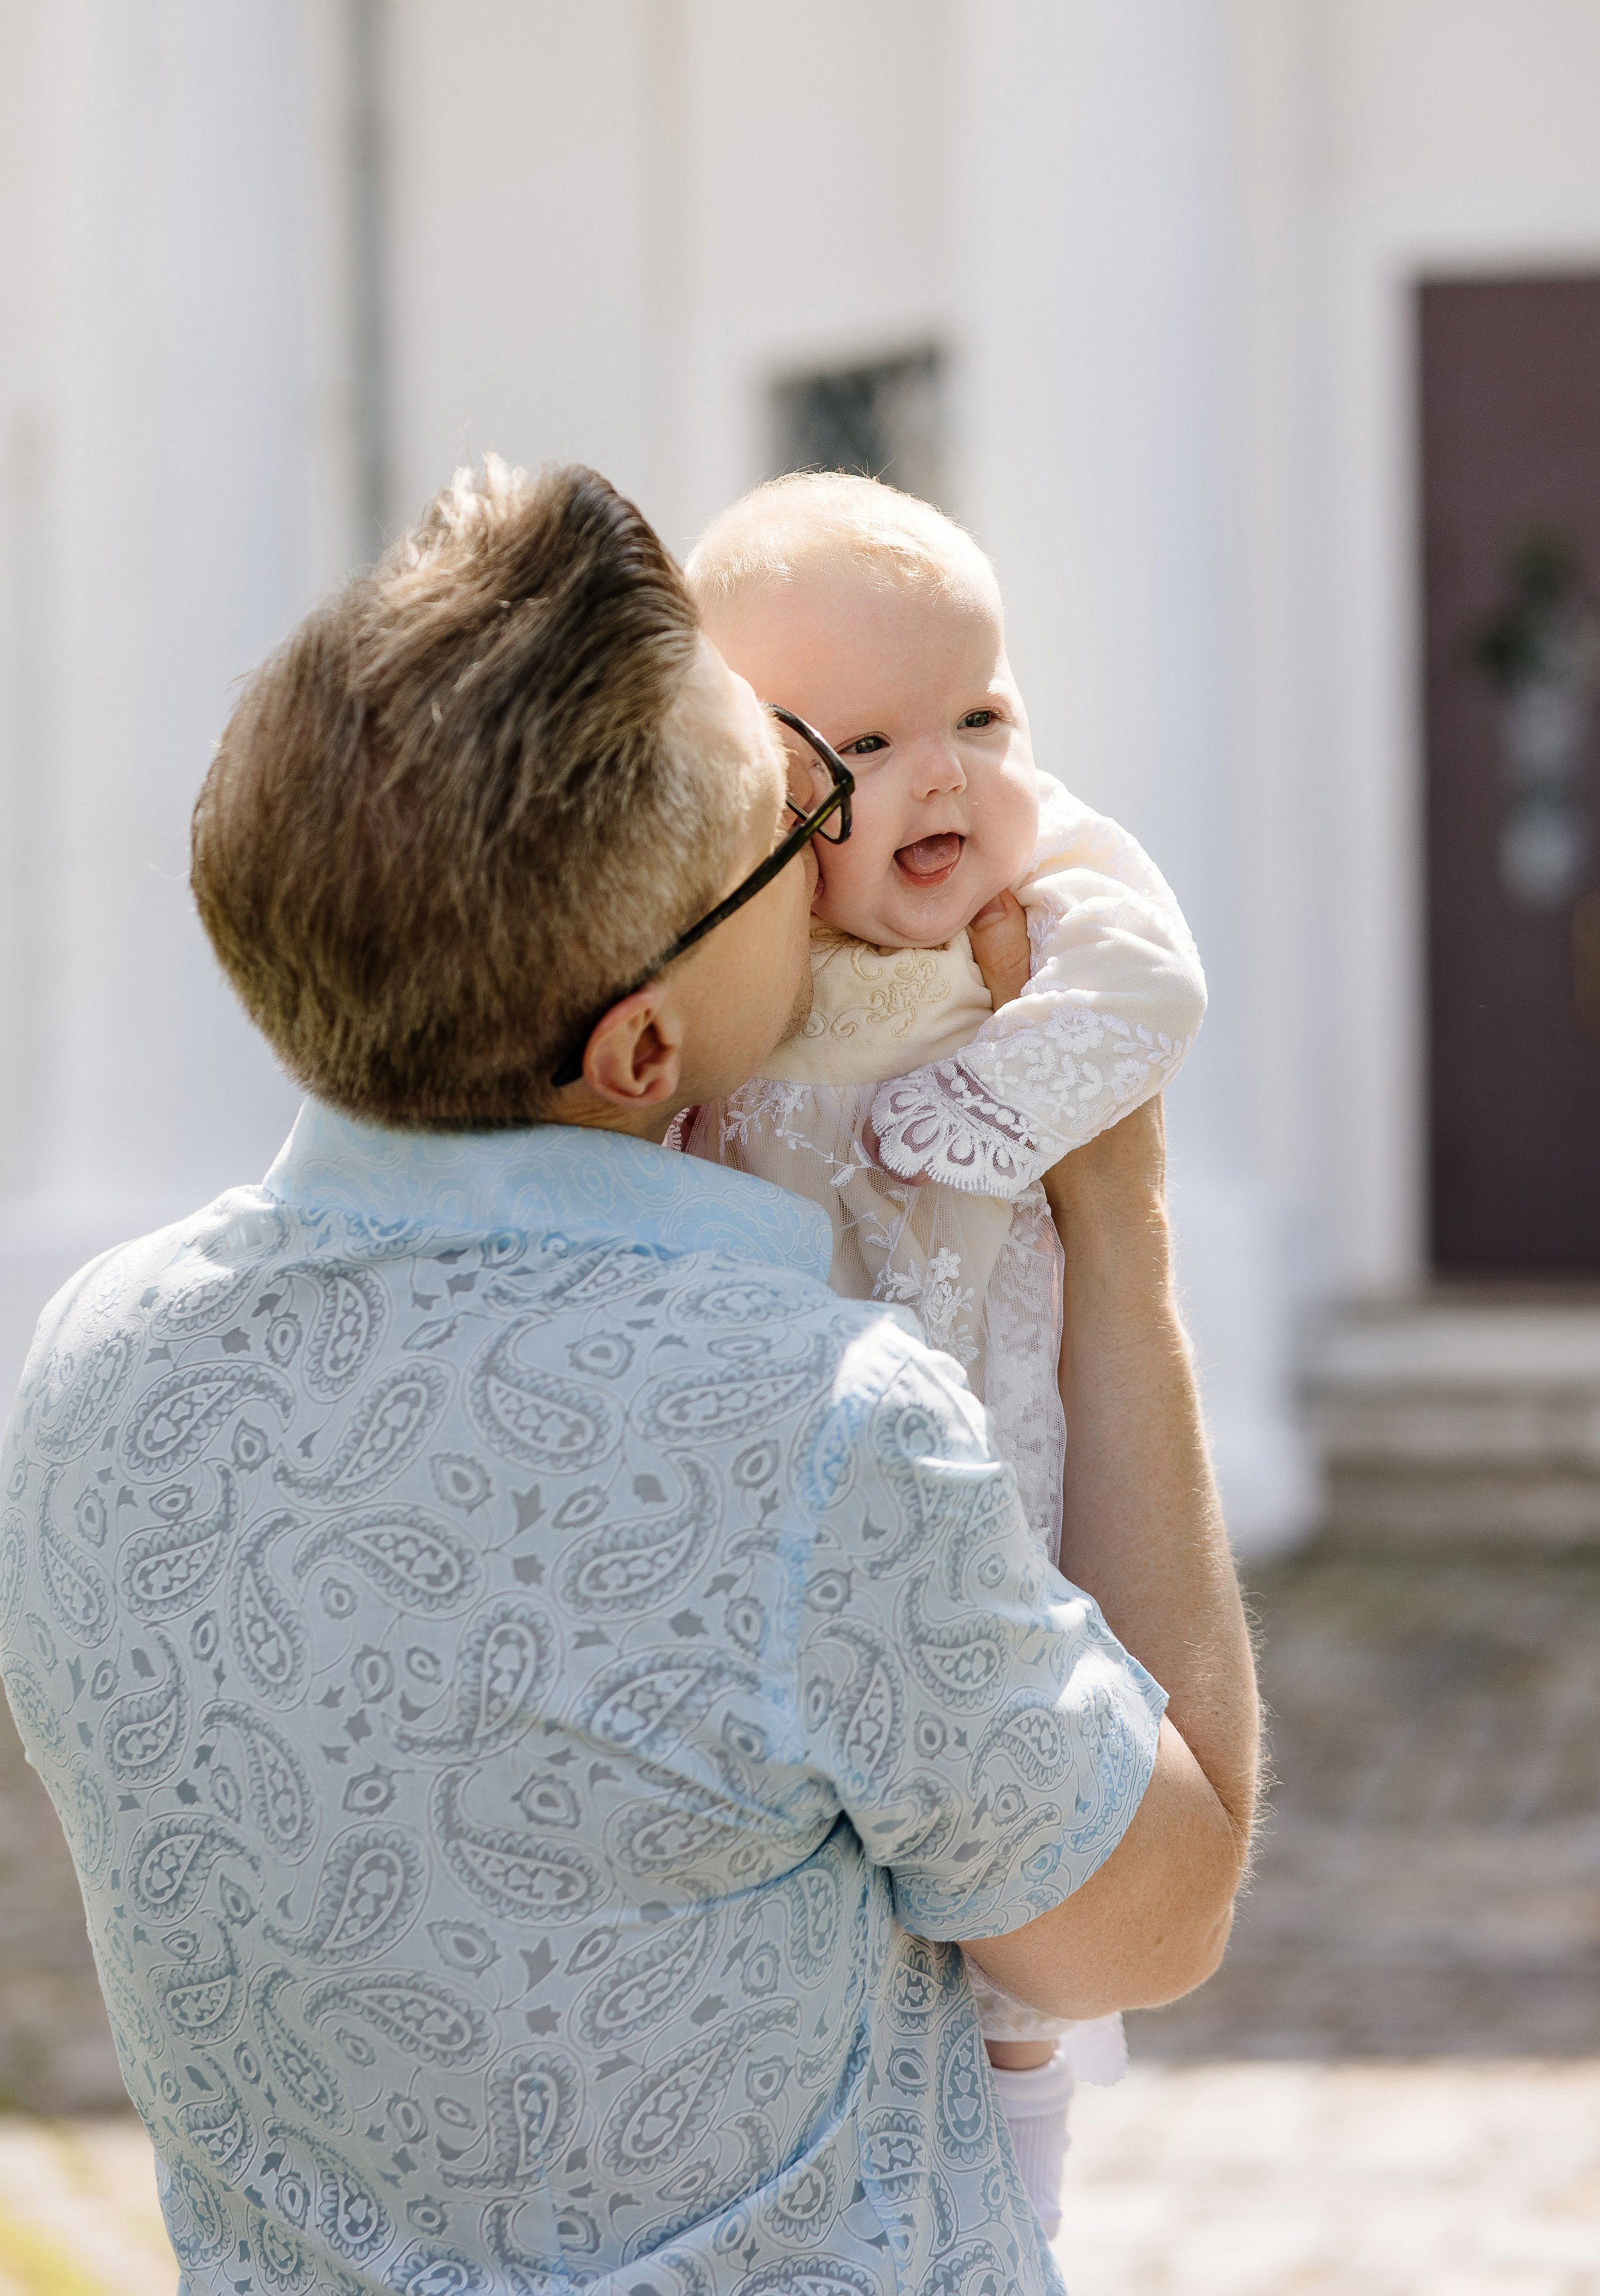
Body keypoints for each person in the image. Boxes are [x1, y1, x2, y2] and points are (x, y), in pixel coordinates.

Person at [0, 459, 1257, 2296]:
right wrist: (1120, 1228)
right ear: (643, 1045)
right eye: (786, 818)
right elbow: (1150, 1922)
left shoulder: (89, 1370)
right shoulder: (813, 1427)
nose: (831, 851)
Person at [677, 473, 1208, 2232]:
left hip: (1000, 1438)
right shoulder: (740, 954)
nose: (948, 778)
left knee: (1022, 1794)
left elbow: (1148, 989)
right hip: (805, 1455)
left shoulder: (1050, 888)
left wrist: (1000, 1098)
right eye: (872, 745)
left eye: (981, 717)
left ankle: (1024, 2170)